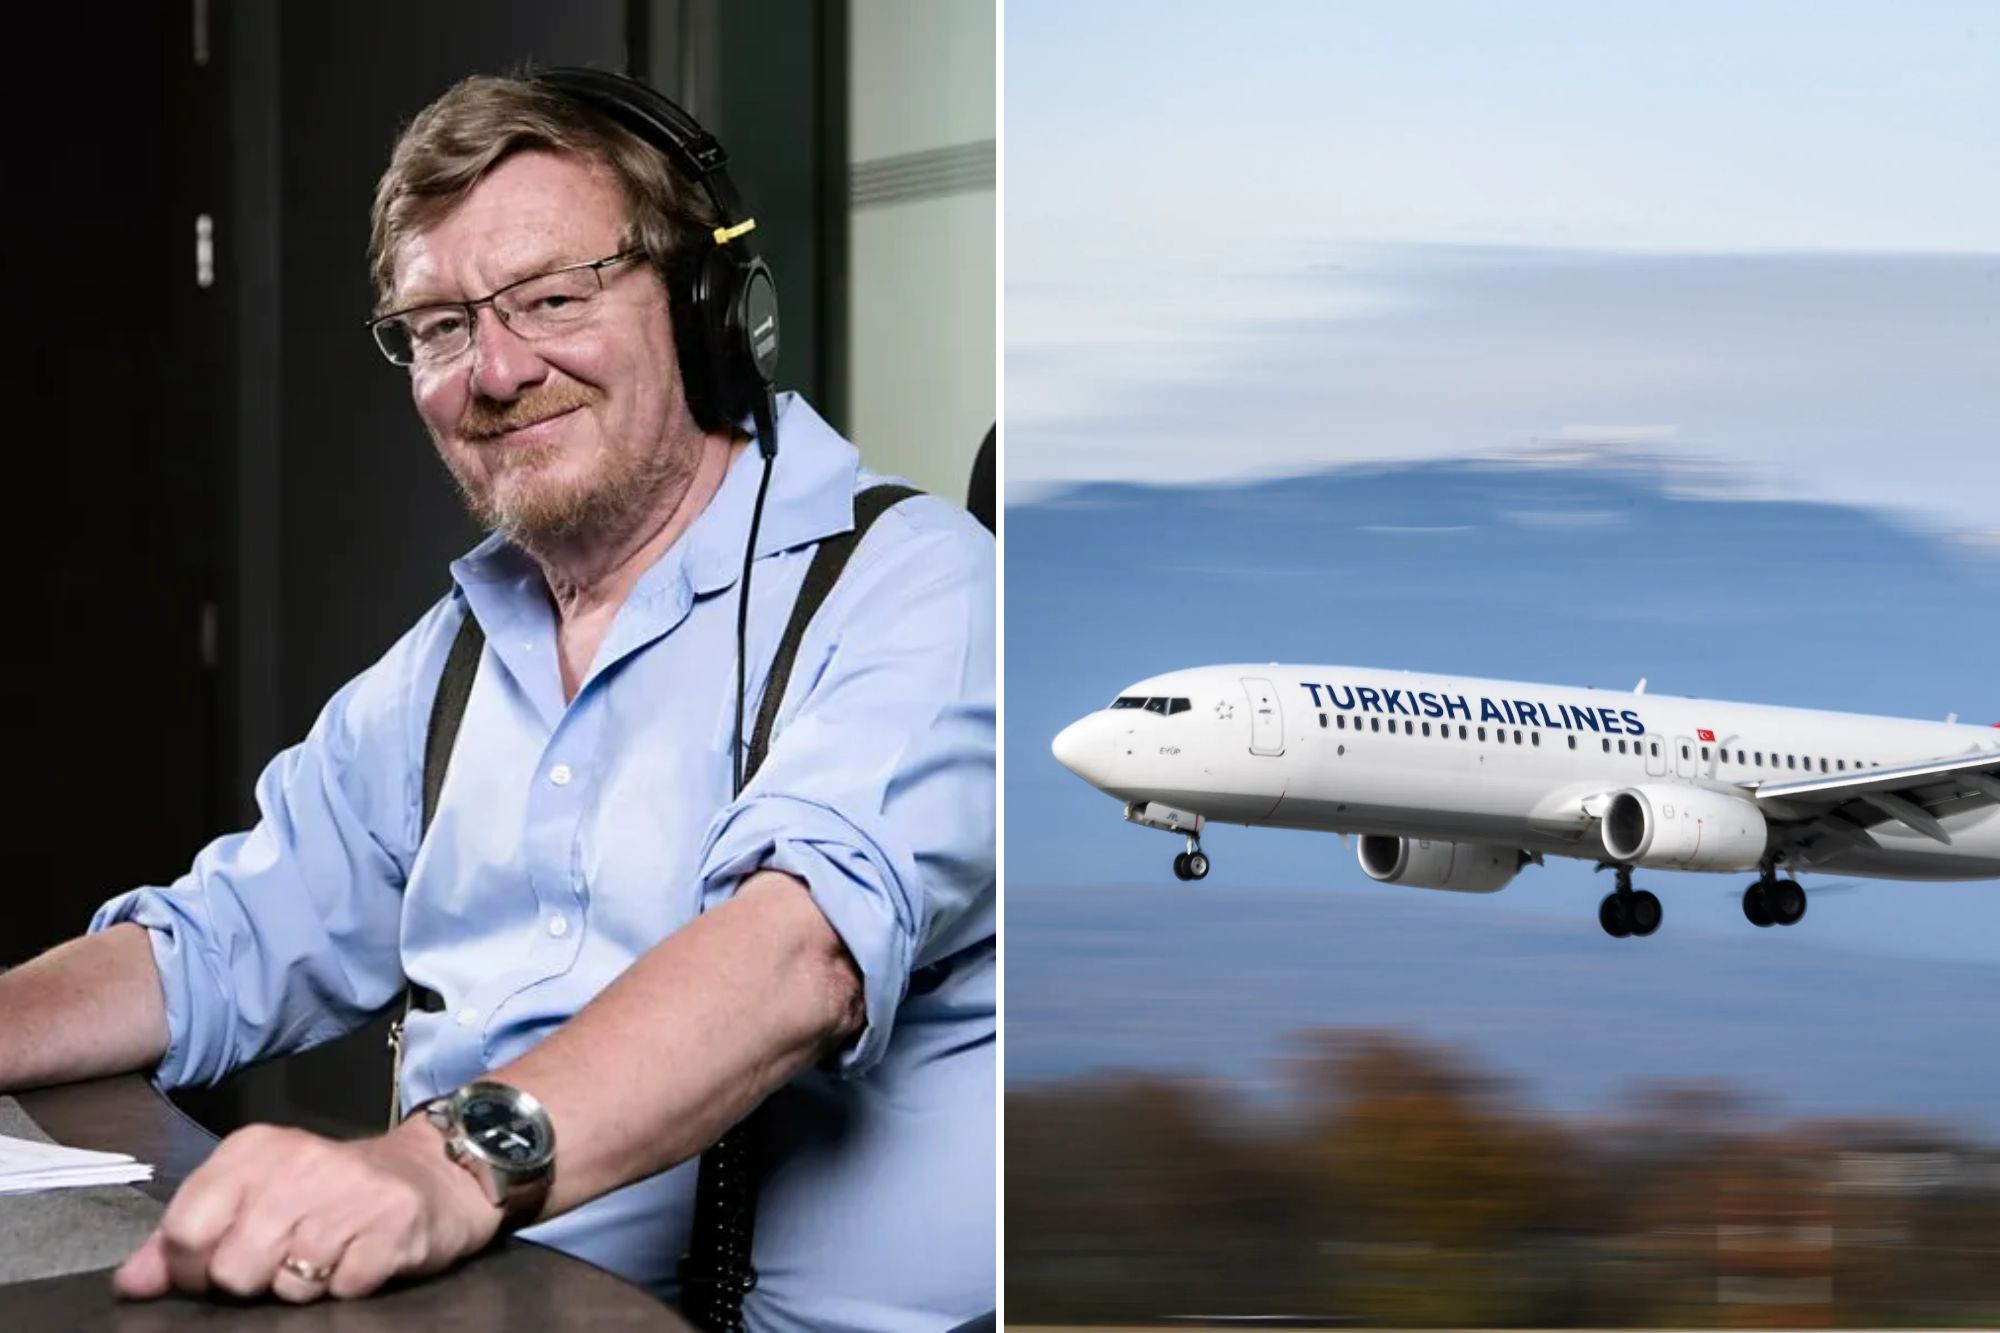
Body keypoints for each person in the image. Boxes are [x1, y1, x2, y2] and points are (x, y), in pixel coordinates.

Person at [0, 70, 994, 1330]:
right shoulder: (454, 658)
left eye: (550, 298)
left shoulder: (917, 588)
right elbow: (217, 945)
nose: (497, 369)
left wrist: (438, 1165)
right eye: (438, 325)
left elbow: (799, 951)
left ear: (704, 306)